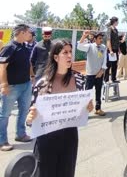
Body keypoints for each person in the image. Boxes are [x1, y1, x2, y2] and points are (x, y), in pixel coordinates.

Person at [26, 39, 94, 177]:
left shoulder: (80, 79)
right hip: (47, 138)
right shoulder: (42, 84)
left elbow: (82, 109)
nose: (70, 56)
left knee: (67, 172)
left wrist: (88, 107)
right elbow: (31, 118)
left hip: (69, 136)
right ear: (55, 57)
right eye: (65, 53)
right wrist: (30, 118)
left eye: (70, 52)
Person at [0, 24, 33, 151]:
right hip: (12, 86)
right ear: (21, 32)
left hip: (26, 84)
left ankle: (21, 134)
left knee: (24, 110)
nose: (30, 35)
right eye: (28, 32)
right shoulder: (9, 47)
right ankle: (2, 141)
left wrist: (32, 76)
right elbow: (2, 66)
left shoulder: (24, 46)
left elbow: (28, 62)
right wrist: (3, 84)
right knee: (4, 114)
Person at [77, 31, 107, 116]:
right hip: (90, 74)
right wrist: (83, 36)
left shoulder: (103, 47)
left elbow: (104, 60)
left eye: (102, 38)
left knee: (98, 92)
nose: (101, 40)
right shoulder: (89, 46)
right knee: (87, 93)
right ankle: (84, 111)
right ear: (95, 39)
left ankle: (98, 109)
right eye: (99, 38)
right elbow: (79, 46)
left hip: (99, 74)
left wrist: (102, 70)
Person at [104, 17, 120, 83]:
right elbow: (108, 40)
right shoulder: (109, 29)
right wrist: (110, 50)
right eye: (117, 21)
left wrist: (118, 49)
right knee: (108, 65)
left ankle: (113, 78)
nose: (118, 23)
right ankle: (106, 79)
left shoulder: (116, 30)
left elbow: (117, 41)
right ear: (114, 22)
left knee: (114, 65)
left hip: (116, 49)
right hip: (111, 50)